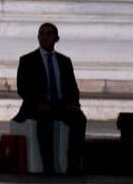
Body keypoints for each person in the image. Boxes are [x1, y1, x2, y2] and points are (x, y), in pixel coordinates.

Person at [14, 22, 85, 175]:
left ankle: (73, 164)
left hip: (61, 105)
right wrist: (38, 103)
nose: (44, 37)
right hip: (38, 106)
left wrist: (74, 103)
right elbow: (22, 88)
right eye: (42, 34)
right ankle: (48, 165)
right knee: (45, 120)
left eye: (49, 34)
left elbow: (72, 86)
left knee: (79, 119)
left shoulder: (64, 61)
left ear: (56, 38)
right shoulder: (27, 60)